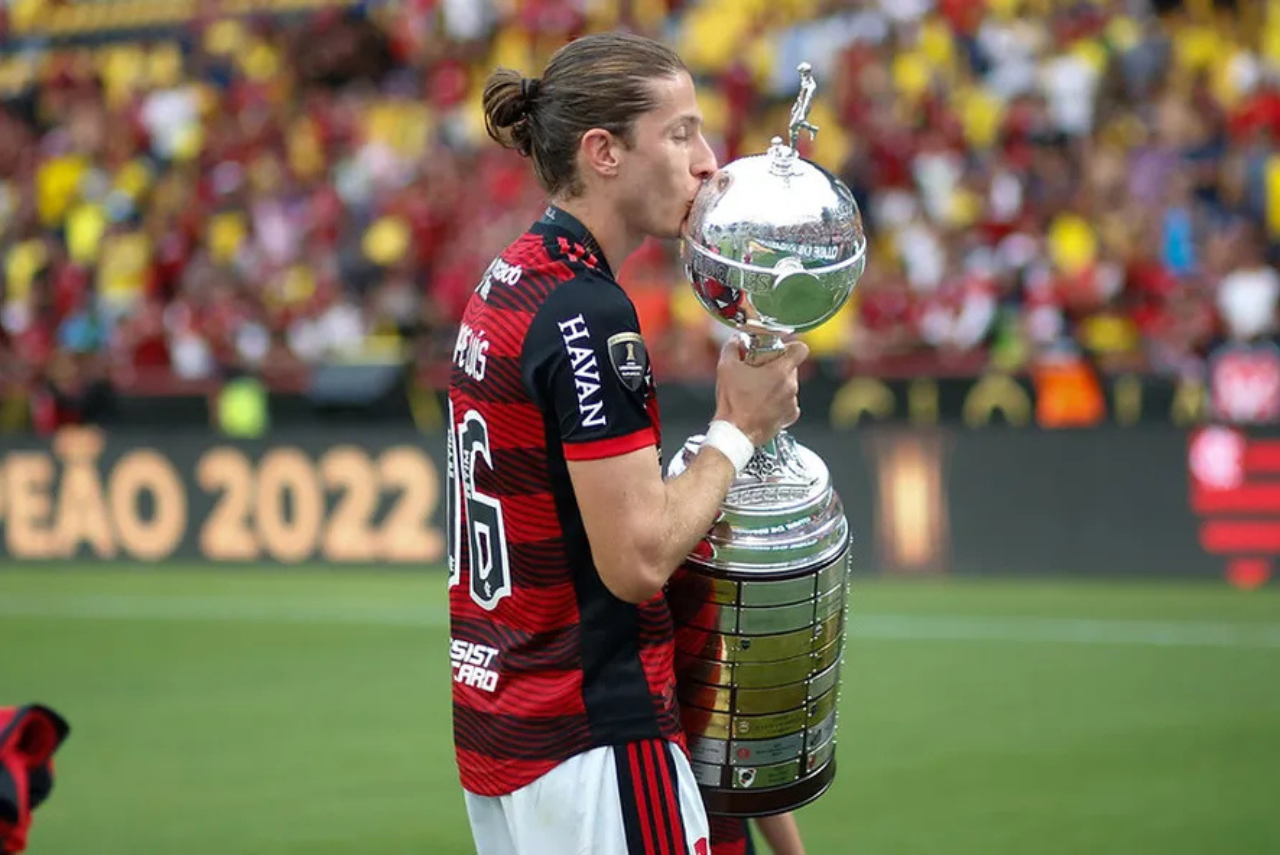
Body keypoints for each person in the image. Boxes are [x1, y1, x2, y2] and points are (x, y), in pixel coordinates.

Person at [446, 31, 808, 855]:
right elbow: (637, 558)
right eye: (680, 133)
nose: (710, 161)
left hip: (506, 735)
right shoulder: (586, 309)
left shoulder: (510, 276)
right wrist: (738, 428)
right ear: (603, 152)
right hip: (593, 738)